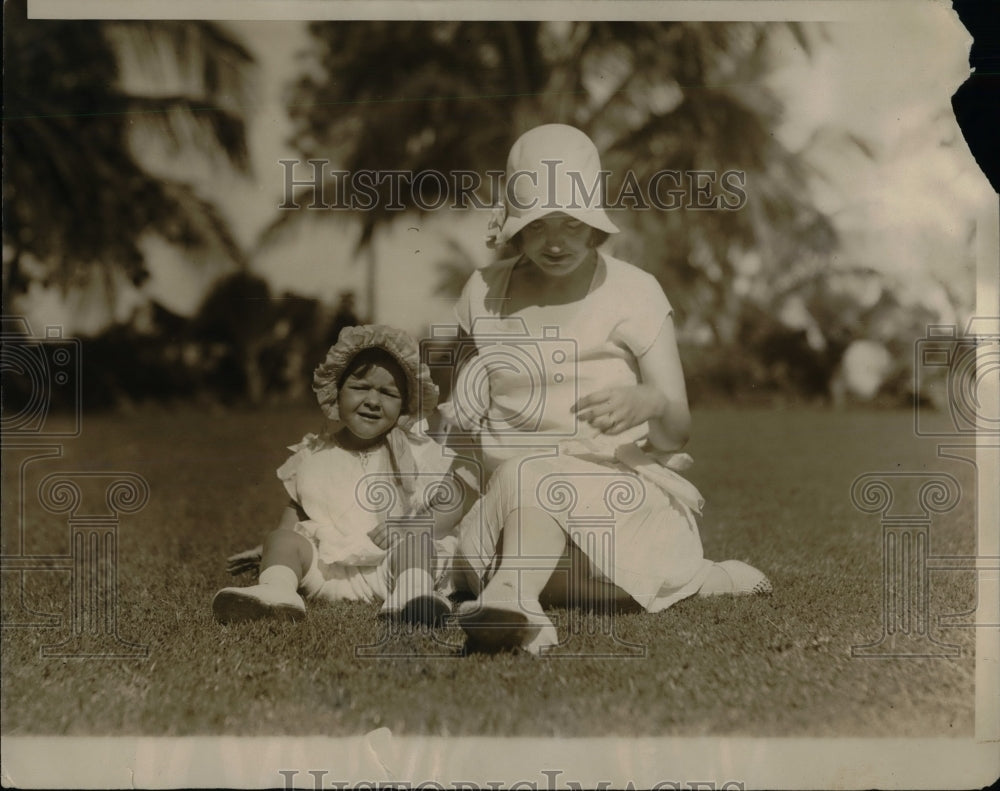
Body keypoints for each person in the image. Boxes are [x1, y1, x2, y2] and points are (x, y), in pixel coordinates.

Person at [448, 124, 772, 655]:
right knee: (520, 479)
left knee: (537, 475)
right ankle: (530, 589)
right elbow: (457, 425)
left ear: (594, 223)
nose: (556, 242)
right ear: (513, 226)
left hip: (612, 509)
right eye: (539, 225)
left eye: (573, 224)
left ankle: (518, 596)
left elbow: (676, 434)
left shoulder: (635, 291)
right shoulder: (481, 293)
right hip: (510, 512)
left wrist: (651, 401)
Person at [213, 325, 457, 627]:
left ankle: (412, 596)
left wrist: (410, 526)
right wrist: (275, 550)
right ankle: (276, 591)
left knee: (418, 544)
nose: (372, 400)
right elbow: (298, 507)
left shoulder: (418, 453)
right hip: (326, 570)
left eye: (387, 393)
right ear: (336, 392)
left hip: (389, 567)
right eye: (359, 387)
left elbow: (450, 503)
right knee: (281, 539)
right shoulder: (314, 453)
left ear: (405, 405)